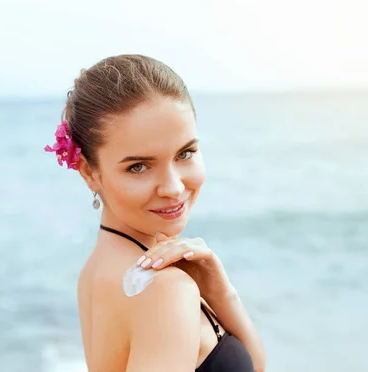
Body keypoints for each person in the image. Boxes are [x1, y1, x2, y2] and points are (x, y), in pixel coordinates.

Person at [44, 55, 266, 371]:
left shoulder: (96, 271)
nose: (173, 188)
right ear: (90, 172)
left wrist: (220, 293)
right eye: (139, 166)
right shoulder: (166, 290)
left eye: (185, 153)